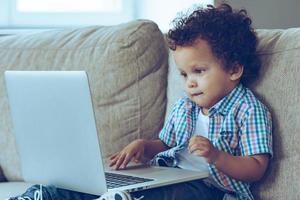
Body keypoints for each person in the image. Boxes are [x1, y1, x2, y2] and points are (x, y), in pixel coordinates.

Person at [10, 3, 272, 200]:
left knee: (174, 194)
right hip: (172, 176)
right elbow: (167, 145)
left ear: (234, 70)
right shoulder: (185, 106)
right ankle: (45, 194)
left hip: (210, 189)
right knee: (98, 183)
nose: (189, 82)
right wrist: (145, 147)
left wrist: (217, 156)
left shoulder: (248, 110)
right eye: (183, 74)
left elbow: (257, 168)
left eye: (199, 71)